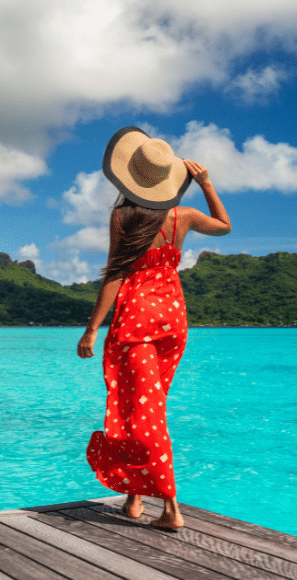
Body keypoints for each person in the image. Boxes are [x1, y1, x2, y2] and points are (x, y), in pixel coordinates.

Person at [77, 126, 231, 530]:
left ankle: (171, 509)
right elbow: (224, 225)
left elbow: (115, 273)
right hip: (172, 319)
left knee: (145, 410)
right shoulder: (184, 216)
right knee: (145, 404)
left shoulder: (122, 215)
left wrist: (92, 328)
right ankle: (134, 498)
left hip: (136, 321)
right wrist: (207, 184)